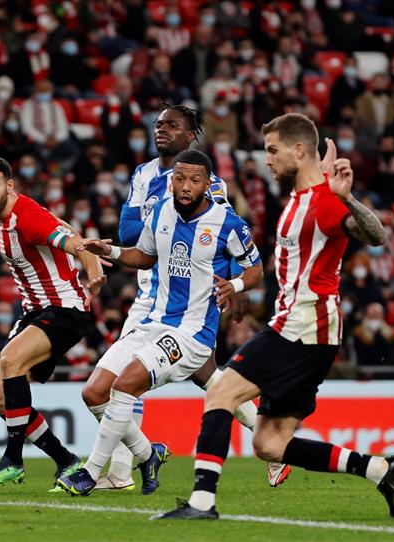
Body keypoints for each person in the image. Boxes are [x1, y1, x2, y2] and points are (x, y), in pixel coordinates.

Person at [156, 114, 394, 520]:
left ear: (299, 150)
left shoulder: (326, 202)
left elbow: (377, 236)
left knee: (221, 393)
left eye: (272, 150)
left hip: (301, 328)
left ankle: (203, 501)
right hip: (308, 334)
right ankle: (381, 470)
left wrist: (346, 198)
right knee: (269, 444)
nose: (267, 159)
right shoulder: (298, 197)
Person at [85, 104, 288, 493]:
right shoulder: (144, 174)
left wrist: (234, 286)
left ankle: (124, 470)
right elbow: (130, 231)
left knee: (136, 378)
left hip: (190, 291)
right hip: (150, 285)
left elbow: (221, 238)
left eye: (172, 125)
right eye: (158, 124)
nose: (161, 130)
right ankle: (268, 437)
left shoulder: (208, 183)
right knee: (206, 376)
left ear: (192, 134)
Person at [57, 149, 262, 496]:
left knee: (125, 385)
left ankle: (90, 473)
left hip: (192, 334)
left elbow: (255, 269)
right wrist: (109, 252)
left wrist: (236, 285)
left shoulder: (228, 224)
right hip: (153, 322)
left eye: (194, 180)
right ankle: (147, 454)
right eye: (180, 178)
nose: (185, 186)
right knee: (93, 393)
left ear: (208, 184)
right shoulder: (163, 211)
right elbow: (145, 255)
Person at [0, 155, 106, 487]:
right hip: (35, 312)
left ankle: (13, 459)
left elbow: (67, 240)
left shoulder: (25, 217)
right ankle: (66, 461)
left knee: (11, 359)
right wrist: (94, 265)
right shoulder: (0, 215)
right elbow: (65, 226)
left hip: (65, 309)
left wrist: (90, 264)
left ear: (9, 185)